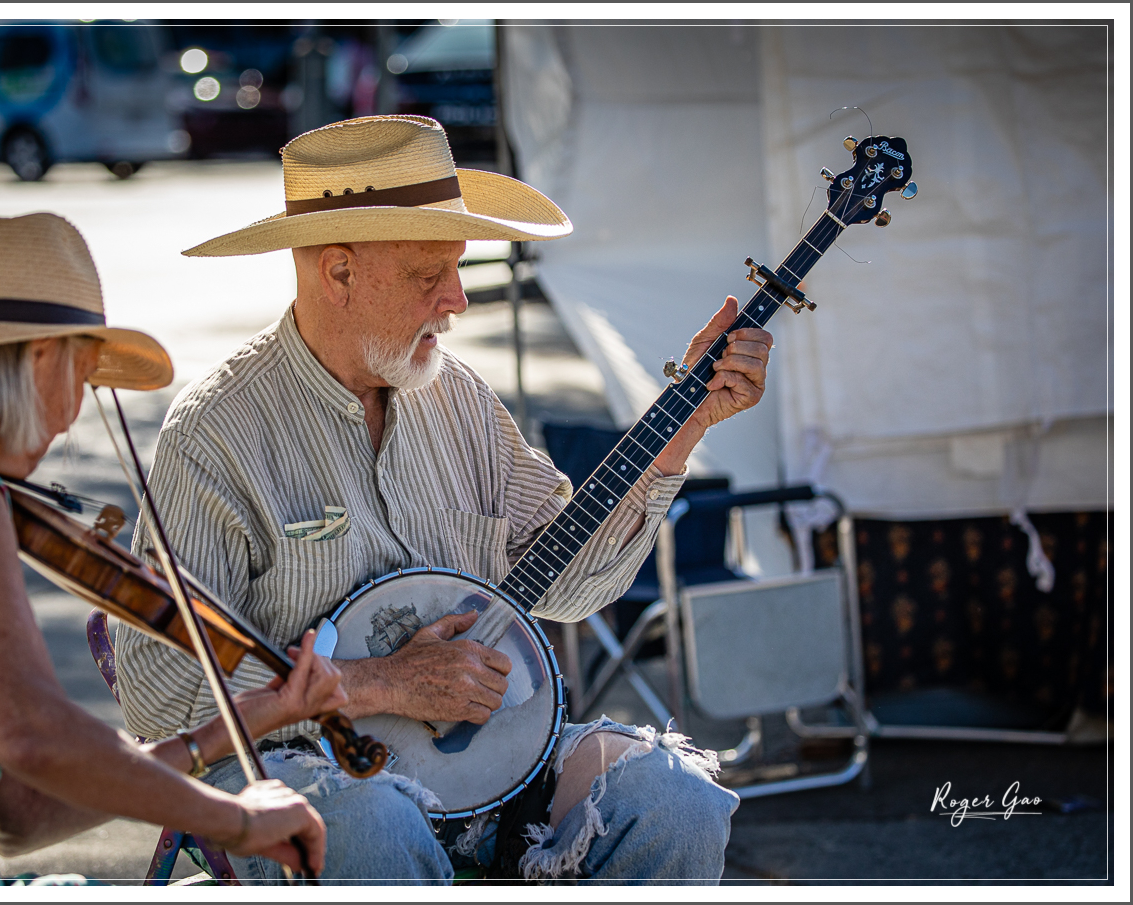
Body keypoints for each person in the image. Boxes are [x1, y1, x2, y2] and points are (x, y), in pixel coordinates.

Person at [115, 116, 771, 883]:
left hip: (491, 761)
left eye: (458, 268)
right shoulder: (216, 431)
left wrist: (683, 427)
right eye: (431, 274)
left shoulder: (455, 395)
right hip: (294, 768)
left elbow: (570, 585)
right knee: (377, 823)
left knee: (676, 799)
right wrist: (378, 684)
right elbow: (160, 699)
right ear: (339, 273)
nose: (457, 298)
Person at [0, 213, 337, 883]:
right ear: (38, 359)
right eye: (85, 378)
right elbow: (34, 734)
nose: (68, 421)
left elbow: (20, 812)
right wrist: (237, 820)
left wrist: (239, 722)